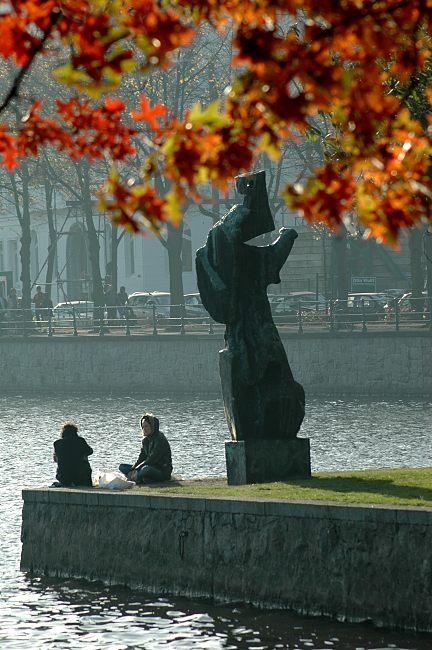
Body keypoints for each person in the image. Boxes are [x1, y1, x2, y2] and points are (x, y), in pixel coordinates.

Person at [119, 413, 172, 484]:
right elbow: (141, 457)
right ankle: (139, 477)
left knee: (146, 469)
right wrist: (134, 468)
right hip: (147, 466)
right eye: (143, 427)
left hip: (161, 470)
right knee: (122, 467)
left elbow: (152, 459)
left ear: (152, 426)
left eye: (146, 426)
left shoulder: (160, 439)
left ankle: (136, 477)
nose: (144, 429)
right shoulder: (145, 441)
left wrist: (137, 469)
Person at [52, 421, 93, 487]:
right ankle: (85, 482)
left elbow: (55, 459)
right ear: (75, 432)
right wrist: (83, 455)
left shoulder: (57, 443)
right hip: (81, 477)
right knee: (84, 457)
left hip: (64, 478)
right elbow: (90, 451)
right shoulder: (80, 441)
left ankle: (67, 480)